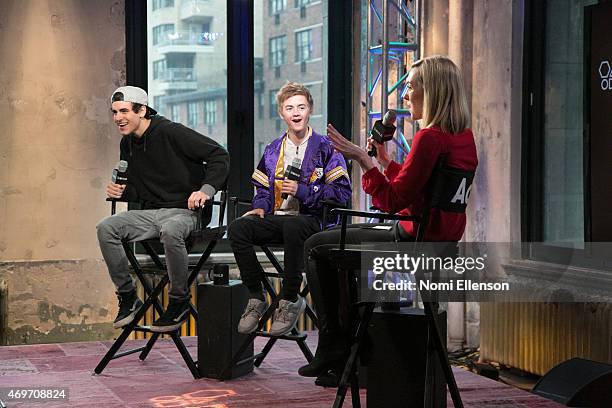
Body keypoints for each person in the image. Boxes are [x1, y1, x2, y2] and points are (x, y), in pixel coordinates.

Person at [297, 55, 479, 380]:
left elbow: (392, 201)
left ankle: (334, 347)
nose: (405, 95)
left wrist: (361, 161)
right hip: (441, 243)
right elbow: (420, 196)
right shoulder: (463, 139)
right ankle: (350, 356)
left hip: (412, 243)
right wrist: (385, 162)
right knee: (337, 251)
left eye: (411, 87)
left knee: (315, 246)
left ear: (432, 91)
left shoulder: (429, 137)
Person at [97, 86, 229, 333]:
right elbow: (141, 190)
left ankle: (178, 300)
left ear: (142, 110)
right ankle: (128, 296)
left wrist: (205, 191)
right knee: (106, 228)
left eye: (124, 111)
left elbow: (219, 156)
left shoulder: (171, 132)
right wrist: (124, 193)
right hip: (151, 213)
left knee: (170, 229)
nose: (118, 118)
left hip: (186, 212)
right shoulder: (128, 144)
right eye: (114, 112)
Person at [228, 82, 351, 336]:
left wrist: (303, 191)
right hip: (279, 219)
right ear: (282, 113)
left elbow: (341, 193)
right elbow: (261, 189)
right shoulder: (273, 149)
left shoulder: (326, 147)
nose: (296, 113)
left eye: (301, 107)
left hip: (314, 221)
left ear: (310, 110)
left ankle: (290, 297)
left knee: (295, 225)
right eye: (289, 108)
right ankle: (256, 295)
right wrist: (260, 207)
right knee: (239, 227)